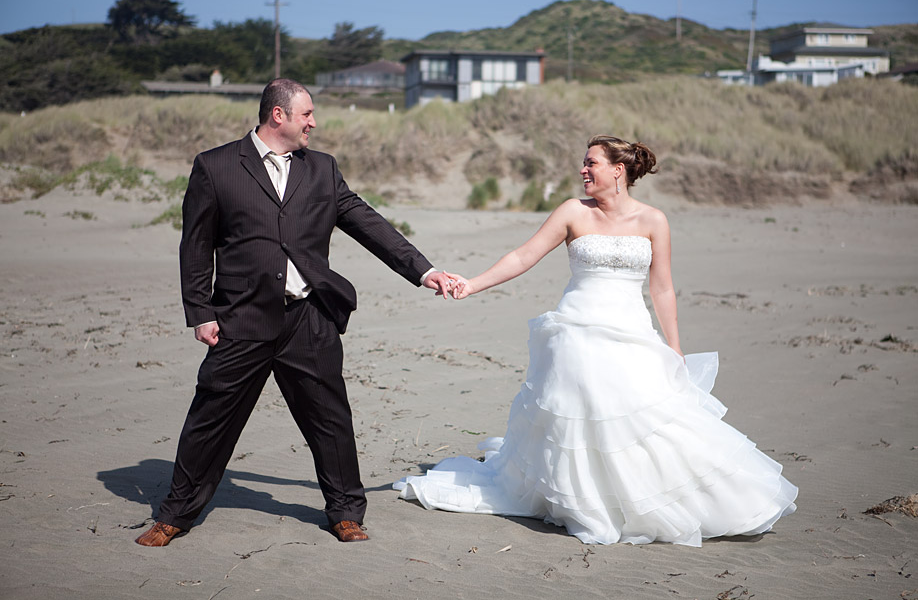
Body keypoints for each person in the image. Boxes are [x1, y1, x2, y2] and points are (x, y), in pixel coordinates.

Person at [394, 135, 798, 546]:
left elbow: (662, 289)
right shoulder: (573, 212)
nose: (583, 170)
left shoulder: (653, 220)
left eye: (592, 163)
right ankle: (583, 500)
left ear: (618, 170)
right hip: (577, 329)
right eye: (583, 164)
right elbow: (523, 256)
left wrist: (674, 348)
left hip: (632, 333)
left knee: (642, 418)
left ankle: (643, 497)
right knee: (581, 413)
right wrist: (472, 285)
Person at [135, 78, 455, 546]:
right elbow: (196, 247)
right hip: (240, 319)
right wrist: (201, 311)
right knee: (210, 418)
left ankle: (346, 511)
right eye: (307, 114)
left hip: (309, 317)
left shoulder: (322, 168)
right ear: (277, 115)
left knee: (330, 419)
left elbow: (367, 222)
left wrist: (423, 270)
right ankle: (175, 514)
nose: (314, 123)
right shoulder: (217, 166)